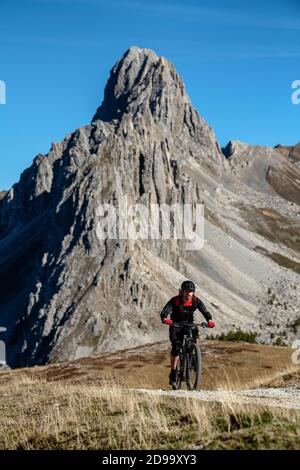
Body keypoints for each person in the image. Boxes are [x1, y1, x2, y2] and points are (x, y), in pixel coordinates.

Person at [160, 280, 215, 386]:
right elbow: (165, 311)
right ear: (181, 291)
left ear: (193, 292)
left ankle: (194, 356)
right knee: (176, 347)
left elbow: (204, 311)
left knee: (195, 335)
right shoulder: (175, 300)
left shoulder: (195, 301)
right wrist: (165, 318)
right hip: (175, 325)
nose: (189, 294)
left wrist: (209, 320)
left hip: (189, 324)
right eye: (186, 291)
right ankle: (173, 371)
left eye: (191, 291)